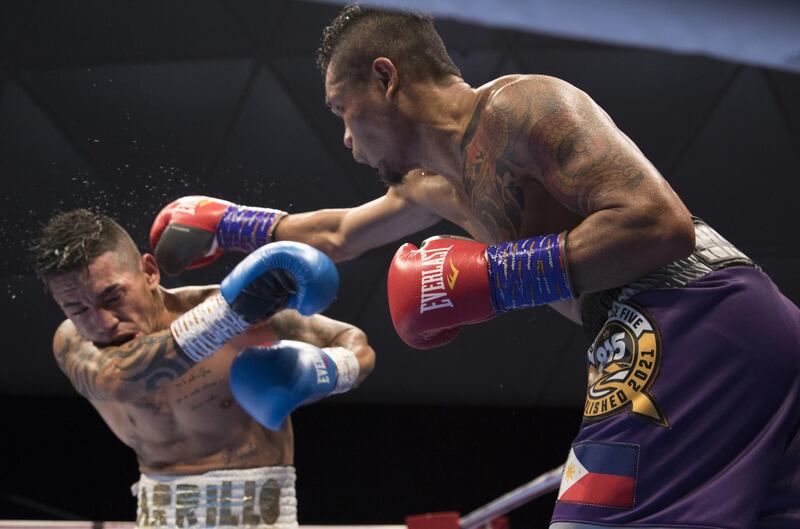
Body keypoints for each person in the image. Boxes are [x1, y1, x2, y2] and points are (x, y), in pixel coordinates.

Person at [149, 5, 800, 528]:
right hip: (713, 330)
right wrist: (226, 222)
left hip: (693, 316)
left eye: (343, 112)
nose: (345, 139)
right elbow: (340, 232)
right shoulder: (435, 185)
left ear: (385, 77)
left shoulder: (523, 107)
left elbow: (662, 224)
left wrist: (494, 278)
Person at [33, 208, 375, 529]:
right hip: (158, 515)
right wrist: (230, 313)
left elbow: (355, 344)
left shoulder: (245, 317)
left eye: (113, 297)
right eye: (77, 309)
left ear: (150, 272)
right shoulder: (73, 342)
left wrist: (328, 370)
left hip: (259, 512)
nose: (102, 322)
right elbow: (122, 380)